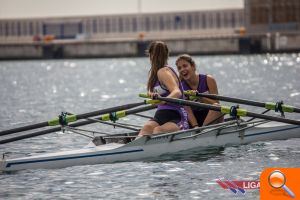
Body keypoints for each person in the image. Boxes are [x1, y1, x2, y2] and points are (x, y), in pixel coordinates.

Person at [138, 41, 189, 136]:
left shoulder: (163, 71)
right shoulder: (153, 74)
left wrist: (164, 101)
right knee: (147, 128)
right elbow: (153, 92)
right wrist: (152, 95)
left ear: (150, 55)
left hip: (176, 115)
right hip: (160, 115)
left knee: (158, 130)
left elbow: (177, 92)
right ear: (167, 55)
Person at [176, 54, 223, 127]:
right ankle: (200, 131)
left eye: (185, 66)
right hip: (194, 121)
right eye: (179, 68)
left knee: (217, 107)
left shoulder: (209, 80)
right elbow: (187, 110)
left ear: (193, 66)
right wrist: (196, 126)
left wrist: (200, 97)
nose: (182, 69)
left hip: (212, 117)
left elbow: (216, 104)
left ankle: (202, 130)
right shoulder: (181, 87)